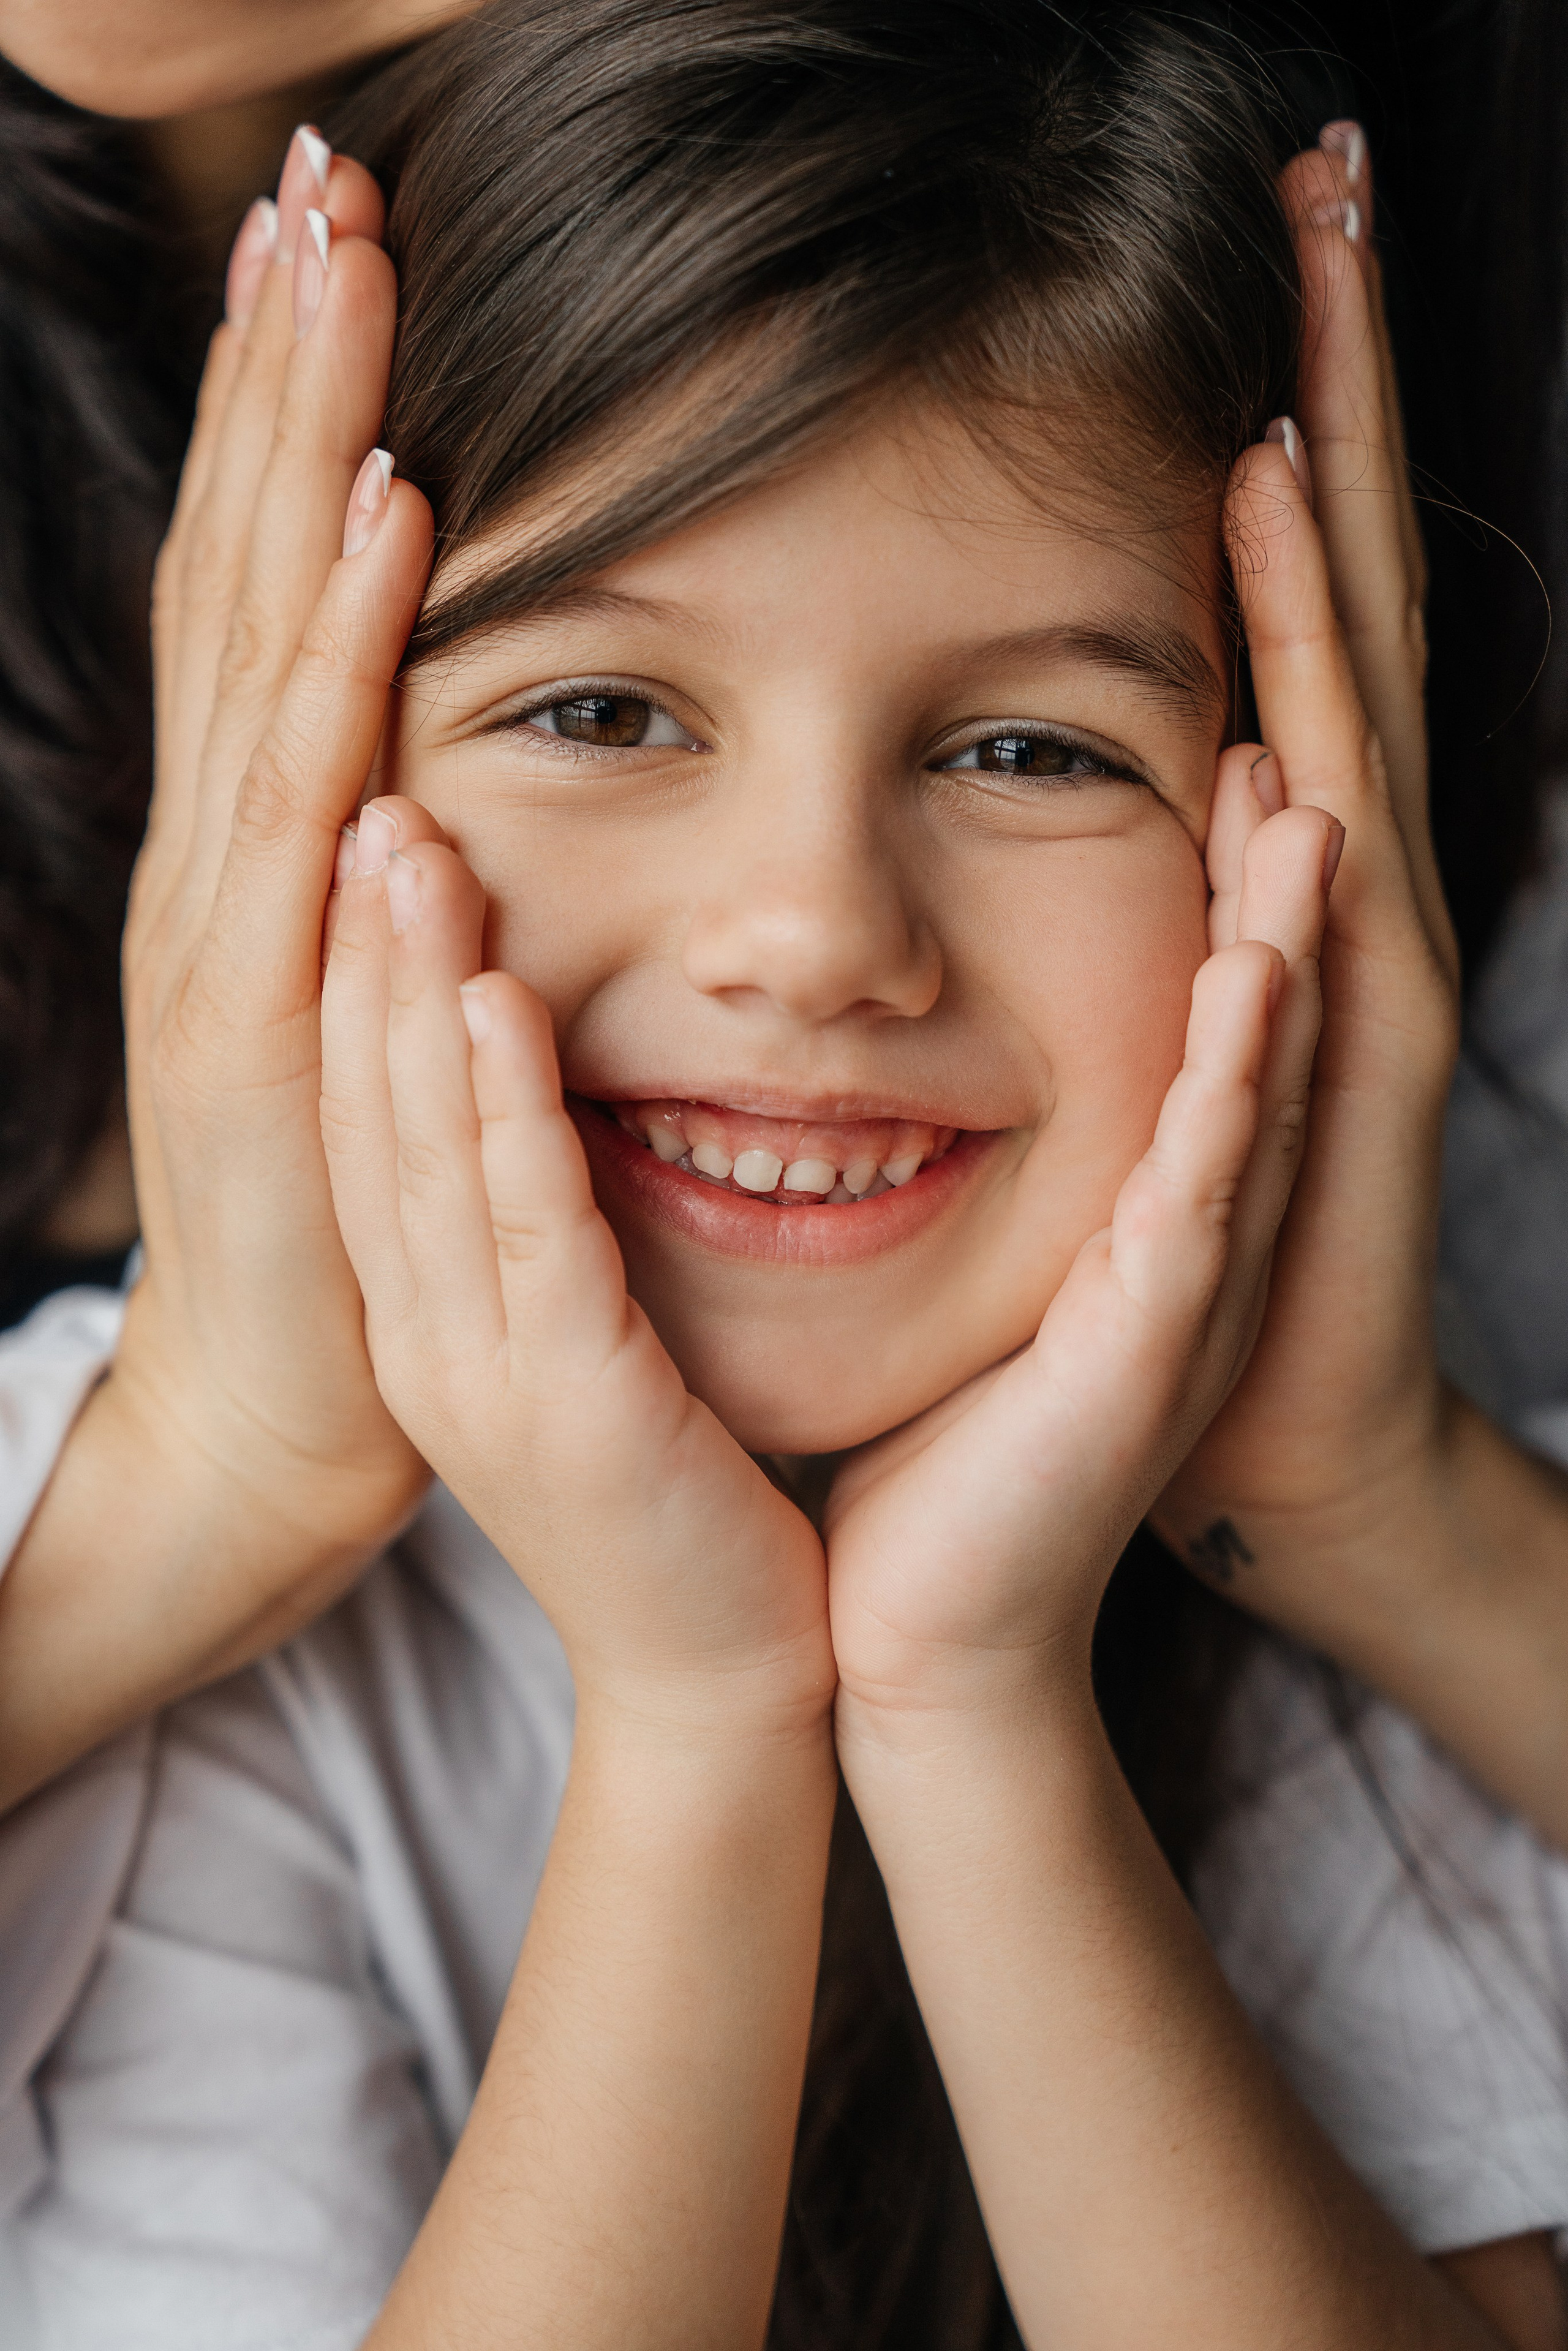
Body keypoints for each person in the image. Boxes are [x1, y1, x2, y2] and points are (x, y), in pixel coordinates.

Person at [2, 4, 1566, 2344]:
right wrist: (695, 1715)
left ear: (1293, 855)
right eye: (602, 710)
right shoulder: (186, 1639)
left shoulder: (1299, 1597)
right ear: (281, 805)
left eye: (1036, 746)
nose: (821, 936)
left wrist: (1002, 1678)